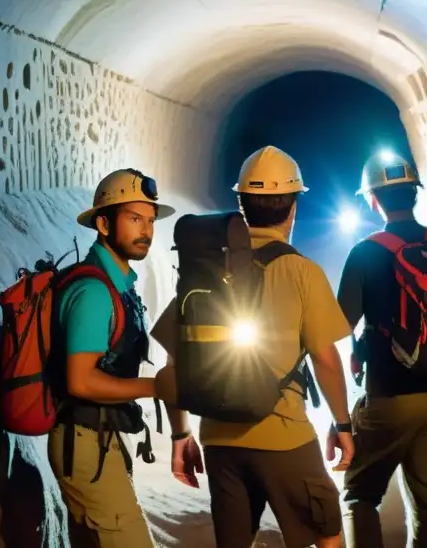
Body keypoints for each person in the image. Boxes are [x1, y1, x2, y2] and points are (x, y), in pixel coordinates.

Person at [151, 145, 355, 548]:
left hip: (219, 438)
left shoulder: (207, 268)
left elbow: (177, 358)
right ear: (293, 208)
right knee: (327, 532)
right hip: (283, 436)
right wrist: (343, 425)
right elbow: (326, 359)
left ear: (241, 205)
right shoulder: (301, 271)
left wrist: (180, 436)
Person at [337, 153, 427, 548]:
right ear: (415, 194)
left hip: (389, 397)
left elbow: (340, 322)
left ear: (373, 200)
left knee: (361, 495)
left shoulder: (366, 251)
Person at [48, 167, 178, 548]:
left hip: (99, 437)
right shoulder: (93, 292)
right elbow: (81, 380)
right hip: (85, 443)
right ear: (103, 224)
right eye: (135, 219)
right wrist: (155, 387)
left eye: (150, 220)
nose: (147, 231)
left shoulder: (118, 285)